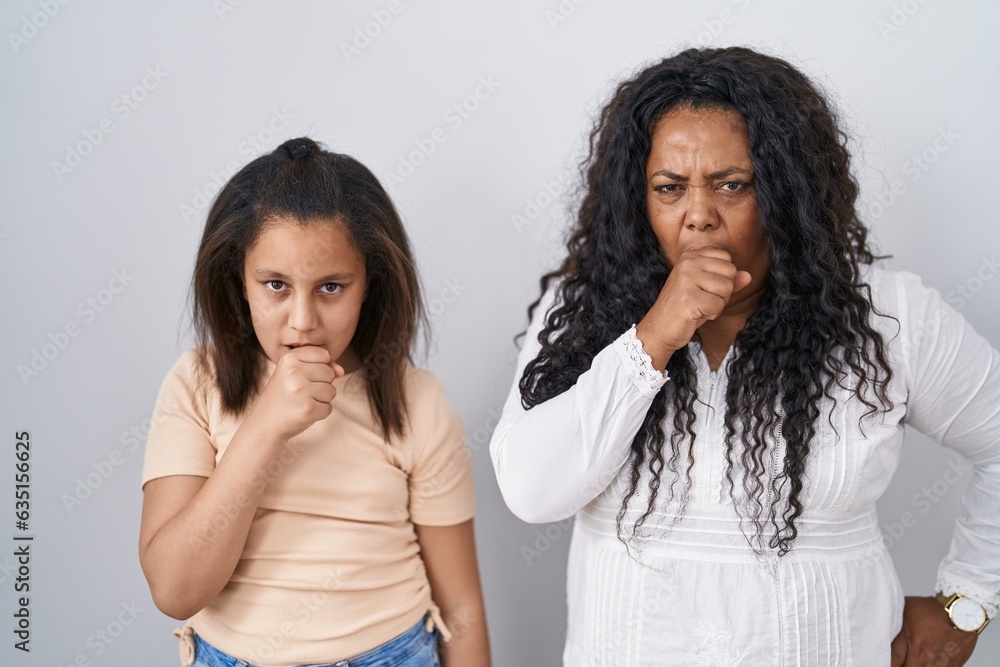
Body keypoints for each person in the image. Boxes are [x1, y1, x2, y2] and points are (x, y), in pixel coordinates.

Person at [489, 47, 999, 666]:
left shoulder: (885, 314)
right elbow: (531, 491)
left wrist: (967, 601)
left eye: (733, 186)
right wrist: (653, 337)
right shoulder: (583, 307)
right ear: (637, 200)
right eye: (669, 189)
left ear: (787, 192)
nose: (698, 217)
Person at [139, 137, 490, 667]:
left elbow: (461, 604)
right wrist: (267, 425)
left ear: (369, 284)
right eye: (276, 284)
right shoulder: (197, 382)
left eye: (330, 287)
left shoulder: (417, 401)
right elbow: (174, 590)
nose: (302, 320)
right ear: (240, 280)